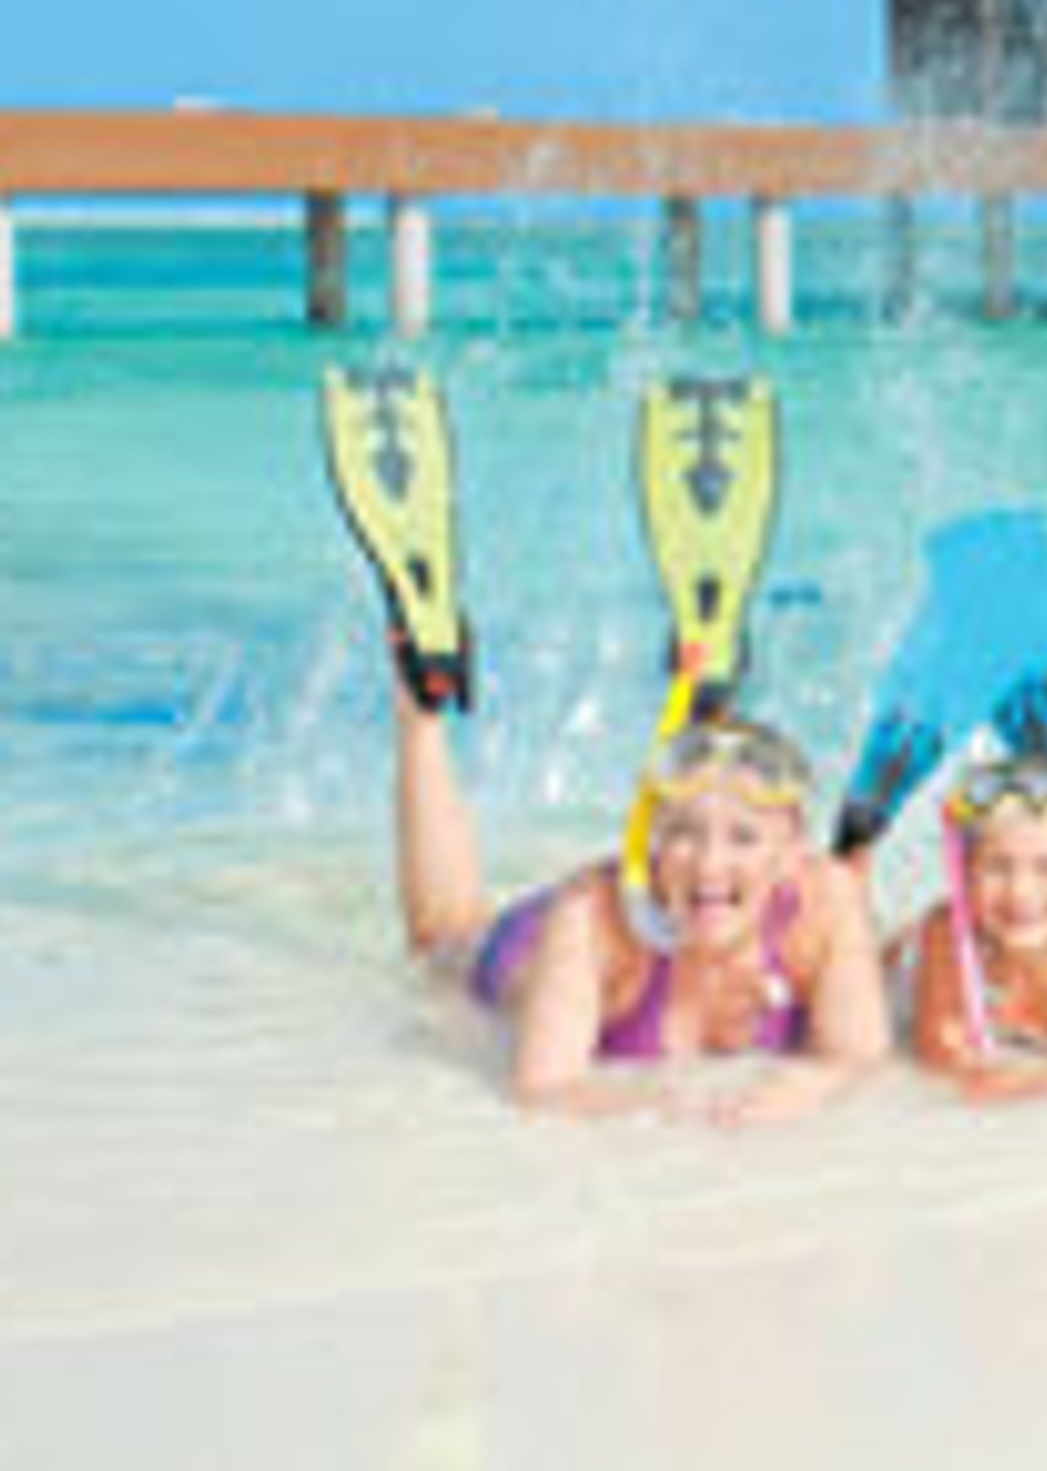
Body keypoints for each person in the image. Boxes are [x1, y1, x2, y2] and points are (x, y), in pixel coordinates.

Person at [330, 363, 887, 1121]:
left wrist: (803, 1089)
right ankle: (420, 704)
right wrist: (678, 1103)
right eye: (683, 835)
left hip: (680, 950)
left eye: (743, 840)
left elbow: (859, 1056)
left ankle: (700, 682)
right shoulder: (586, 925)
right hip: (534, 961)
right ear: (651, 841)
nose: (709, 864)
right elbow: (543, 1088)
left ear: (794, 850)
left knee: (704, 767)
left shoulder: (827, 901)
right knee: (441, 948)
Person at [901, 748, 1047, 1101]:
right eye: (997, 867)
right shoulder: (947, 932)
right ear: (963, 875)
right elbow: (937, 1049)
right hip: (901, 969)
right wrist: (975, 1072)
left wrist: (1020, 1088)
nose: (1021, 893)